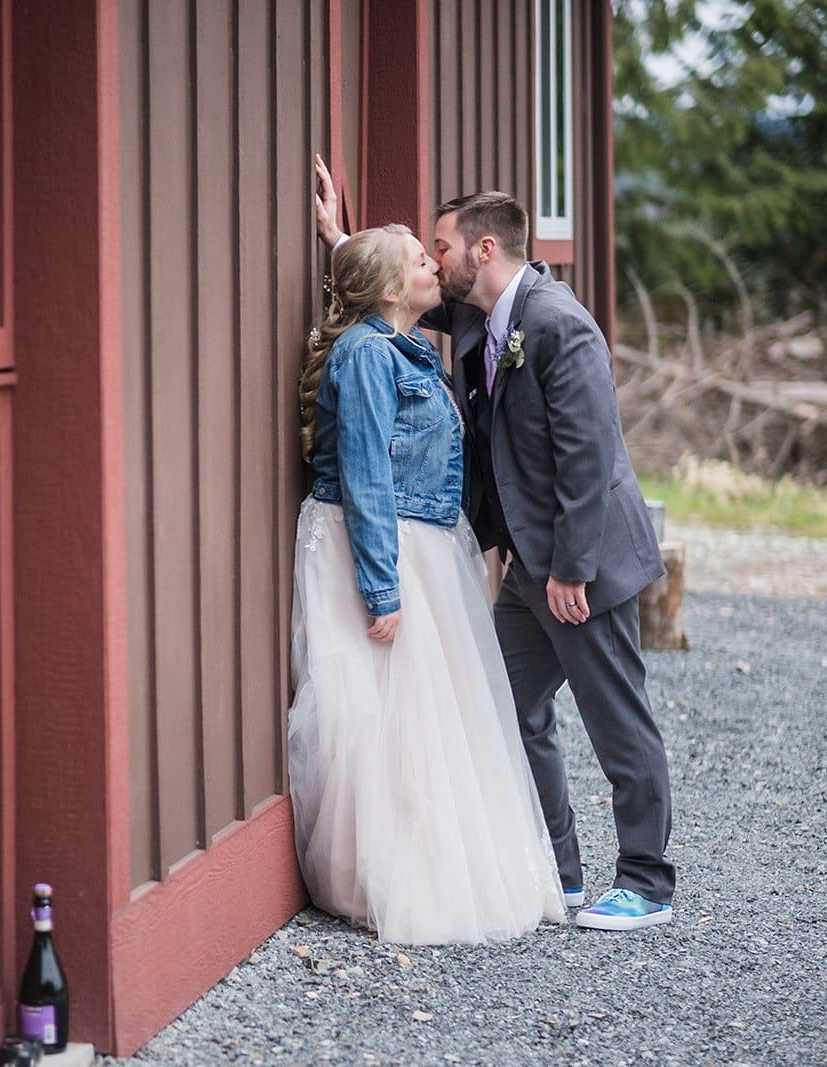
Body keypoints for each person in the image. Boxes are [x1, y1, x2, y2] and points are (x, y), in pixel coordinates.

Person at [313, 162, 677, 932]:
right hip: (526, 565)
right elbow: (389, 297)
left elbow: (591, 454)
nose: (434, 261)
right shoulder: (481, 315)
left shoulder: (557, 324)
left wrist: (572, 568)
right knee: (506, 704)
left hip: (585, 566)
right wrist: (342, 241)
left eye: (439, 245)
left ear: (481, 250)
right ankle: (559, 865)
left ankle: (646, 881)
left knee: (617, 717)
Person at [288, 222, 565, 945]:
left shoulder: (404, 346)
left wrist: (338, 231)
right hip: (381, 545)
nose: (432, 267)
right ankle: (380, 872)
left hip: (422, 542)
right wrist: (382, 589)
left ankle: (443, 862)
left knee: (434, 714)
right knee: (380, 713)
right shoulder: (366, 355)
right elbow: (367, 473)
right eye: (420, 259)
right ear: (389, 289)